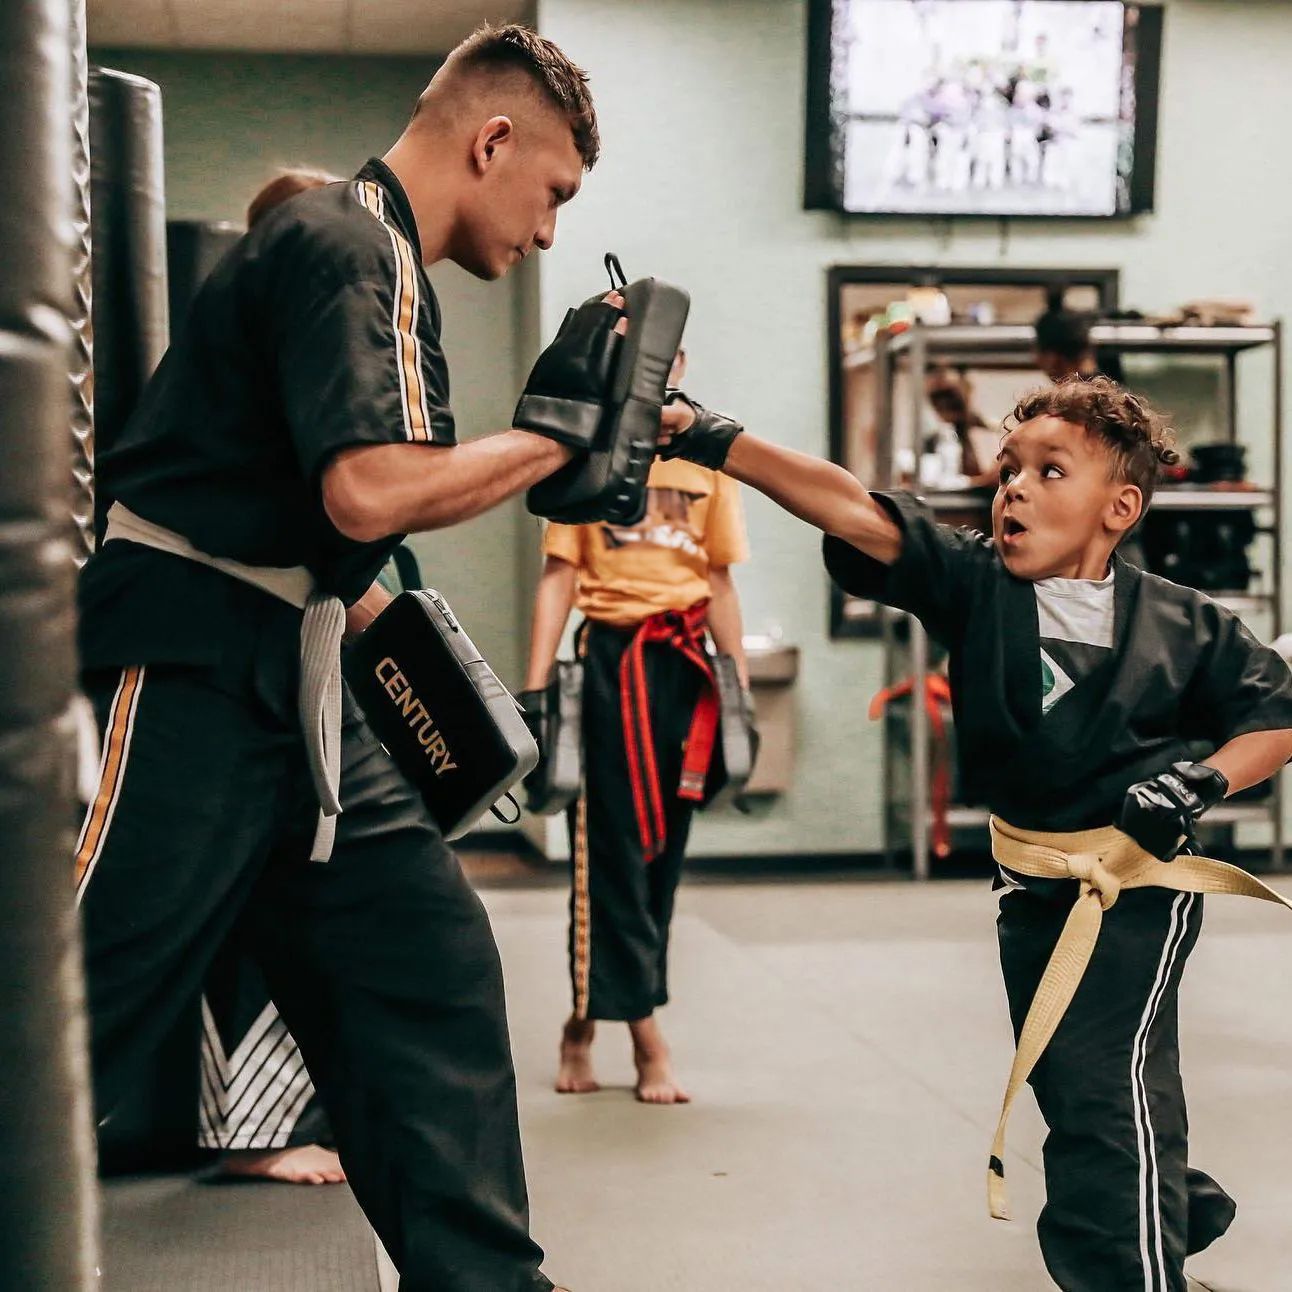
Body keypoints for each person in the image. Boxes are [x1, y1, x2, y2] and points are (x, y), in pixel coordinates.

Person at [74, 23, 623, 1290]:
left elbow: (333, 535)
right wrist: (555, 435)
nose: (546, 232)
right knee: (78, 1000)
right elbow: (371, 491)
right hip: (186, 671)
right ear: (492, 140)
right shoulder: (343, 239)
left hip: (296, 688)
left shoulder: (377, 261)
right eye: (552, 195)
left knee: (427, 961)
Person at [660, 375, 1292, 1291]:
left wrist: (1200, 781)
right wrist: (710, 436)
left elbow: (1274, 721)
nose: (1015, 488)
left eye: (1049, 471)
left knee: (1100, 1090)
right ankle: (1168, 1202)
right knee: (1074, 1085)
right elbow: (850, 507)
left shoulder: (1184, 625)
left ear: (1120, 507)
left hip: (1134, 897)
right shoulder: (974, 585)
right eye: (1009, 470)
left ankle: (1130, 1263)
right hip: (1030, 894)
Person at [523, 349, 749, 1105]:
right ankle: (646, 1034)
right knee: (609, 851)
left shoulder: (706, 461)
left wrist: (736, 685)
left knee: (661, 854)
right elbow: (559, 574)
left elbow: (717, 577)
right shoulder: (586, 457)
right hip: (611, 666)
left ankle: (584, 1020)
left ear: (679, 361)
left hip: (682, 668)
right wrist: (534, 690)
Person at [199, 167, 345, 1188]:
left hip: (317, 666)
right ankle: (249, 1130)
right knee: (248, 897)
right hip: (237, 669)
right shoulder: (248, 358)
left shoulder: (318, 356)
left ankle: (295, 1107)